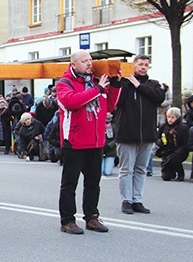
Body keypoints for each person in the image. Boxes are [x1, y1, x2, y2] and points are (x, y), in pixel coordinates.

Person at [56, 49, 121, 234]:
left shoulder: (95, 82)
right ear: (74, 64)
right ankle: (67, 220)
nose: (89, 63)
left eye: (90, 60)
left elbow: (108, 106)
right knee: (70, 184)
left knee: (93, 183)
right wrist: (98, 89)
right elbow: (72, 102)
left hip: (95, 141)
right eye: (85, 61)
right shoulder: (64, 83)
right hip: (74, 141)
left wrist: (115, 85)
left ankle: (92, 217)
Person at [111, 54, 165, 214]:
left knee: (141, 168)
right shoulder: (124, 84)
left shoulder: (153, 85)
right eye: (140, 64)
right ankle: (126, 200)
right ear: (133, 66)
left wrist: (139, 86)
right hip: (127, 133)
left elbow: (159, 97)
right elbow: (116, 102)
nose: (143, 67)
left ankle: (137, 199)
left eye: (146, 64)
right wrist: (122, 82)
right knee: (126, 169)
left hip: (147, 135)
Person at [155, 107, 189, 181]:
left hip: (179, 151)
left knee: (173, 159)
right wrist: (160, 142)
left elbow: (185, 144)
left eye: (172, 117)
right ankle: (170, 171)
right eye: (168, 117)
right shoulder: (163, 127)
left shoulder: (183, 128)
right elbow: (157, 138)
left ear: (177, 118)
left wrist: (177, 152)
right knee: (166, 177)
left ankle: (180, 172)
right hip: (166, 151)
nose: (170, 119)